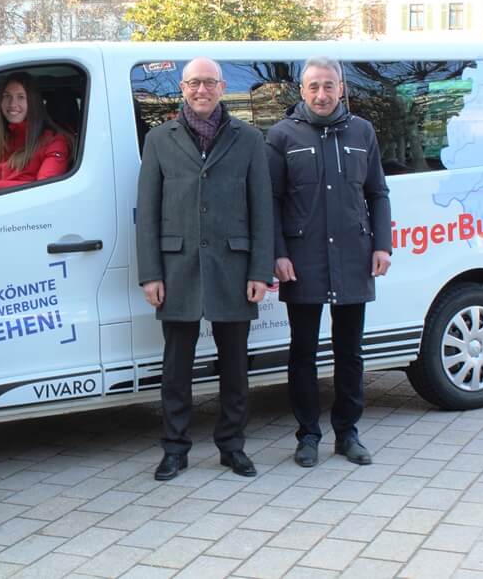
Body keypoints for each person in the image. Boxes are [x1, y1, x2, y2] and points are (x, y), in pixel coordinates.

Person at [136, 57, 273, 481]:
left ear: (222, 87)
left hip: (234, 266)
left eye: (209, 82)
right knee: (176, 369)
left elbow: (262, 209)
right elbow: (148, 211)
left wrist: (260, 271)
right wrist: (150, 274)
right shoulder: (159, 140)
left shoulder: (249, 139)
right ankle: (174, 449)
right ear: (182, 88)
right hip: (177, 267)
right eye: (194, 82)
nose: (201, 90)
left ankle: (232, 447)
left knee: (235, 367)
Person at [266, 56, 392, 468]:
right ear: (302, 90)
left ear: (342, 88)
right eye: (314, 86)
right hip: (303, 261)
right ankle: (307, 435)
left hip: (354, 256)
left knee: (350, 352)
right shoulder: (282, 135)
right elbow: (271, 200)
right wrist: (278, 252)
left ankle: (347, 433)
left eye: (329, 86)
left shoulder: (362, 131)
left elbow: (377, 192)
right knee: (303, 352)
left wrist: (382, 245)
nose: (321, 94)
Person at [0, 72, 70, 192]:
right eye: (7, 96)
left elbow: (44, 191)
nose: (12, 104)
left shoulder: (55, 142)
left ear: (33, 102)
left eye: (21, 97)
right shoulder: (1, 140)